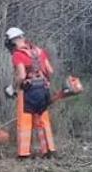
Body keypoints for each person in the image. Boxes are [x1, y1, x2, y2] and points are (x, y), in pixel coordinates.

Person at [4, 27, 57, 159]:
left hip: (28, 91)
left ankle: (23, 154)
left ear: (13, 41)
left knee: (25, 122)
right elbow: (50, 71)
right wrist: (46, 82)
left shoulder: (18, 55)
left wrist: (12, 88)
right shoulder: (40, 51)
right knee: (43, 121)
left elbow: (21, 75)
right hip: (43, 90)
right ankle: (49, 150)